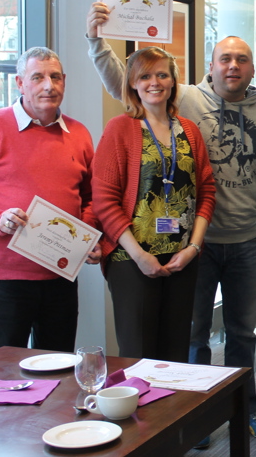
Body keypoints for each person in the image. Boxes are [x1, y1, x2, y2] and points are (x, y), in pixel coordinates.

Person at [87, 3, 256, 442]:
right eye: (224, 59)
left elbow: (252, 180)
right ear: (209, 67)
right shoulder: (150, 115)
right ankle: (169, 431)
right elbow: (104, 196)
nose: (155, 83)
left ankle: (221, 416)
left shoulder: (228, 122)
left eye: (242, 60)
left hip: (217, 245)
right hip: (160, 251)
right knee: (170, 345)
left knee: (226, 337)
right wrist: (95, 41)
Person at [92, 46, 215, 364]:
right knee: (139, 355)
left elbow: (207, 192)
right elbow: (105, 202)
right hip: (132, 260)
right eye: (145, 76)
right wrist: (140, 256)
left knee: (175, 355)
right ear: (132, 83)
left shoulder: (189, 131)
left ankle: (175, 414)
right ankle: (138, 415)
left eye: (162, 74)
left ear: (173, 81)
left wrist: (194, 248)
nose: (154, 82)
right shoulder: (120, 129)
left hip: (182, 260)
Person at [0, 47, 100, 351]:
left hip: (61, 275)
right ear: (20, 83)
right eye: (37, 77)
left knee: (58, 366)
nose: (48, 86)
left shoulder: (79, 133)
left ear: (64, 81)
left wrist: (88, 237)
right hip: (7, 278)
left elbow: (90, 197)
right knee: (4, 376)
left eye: (55, 77)